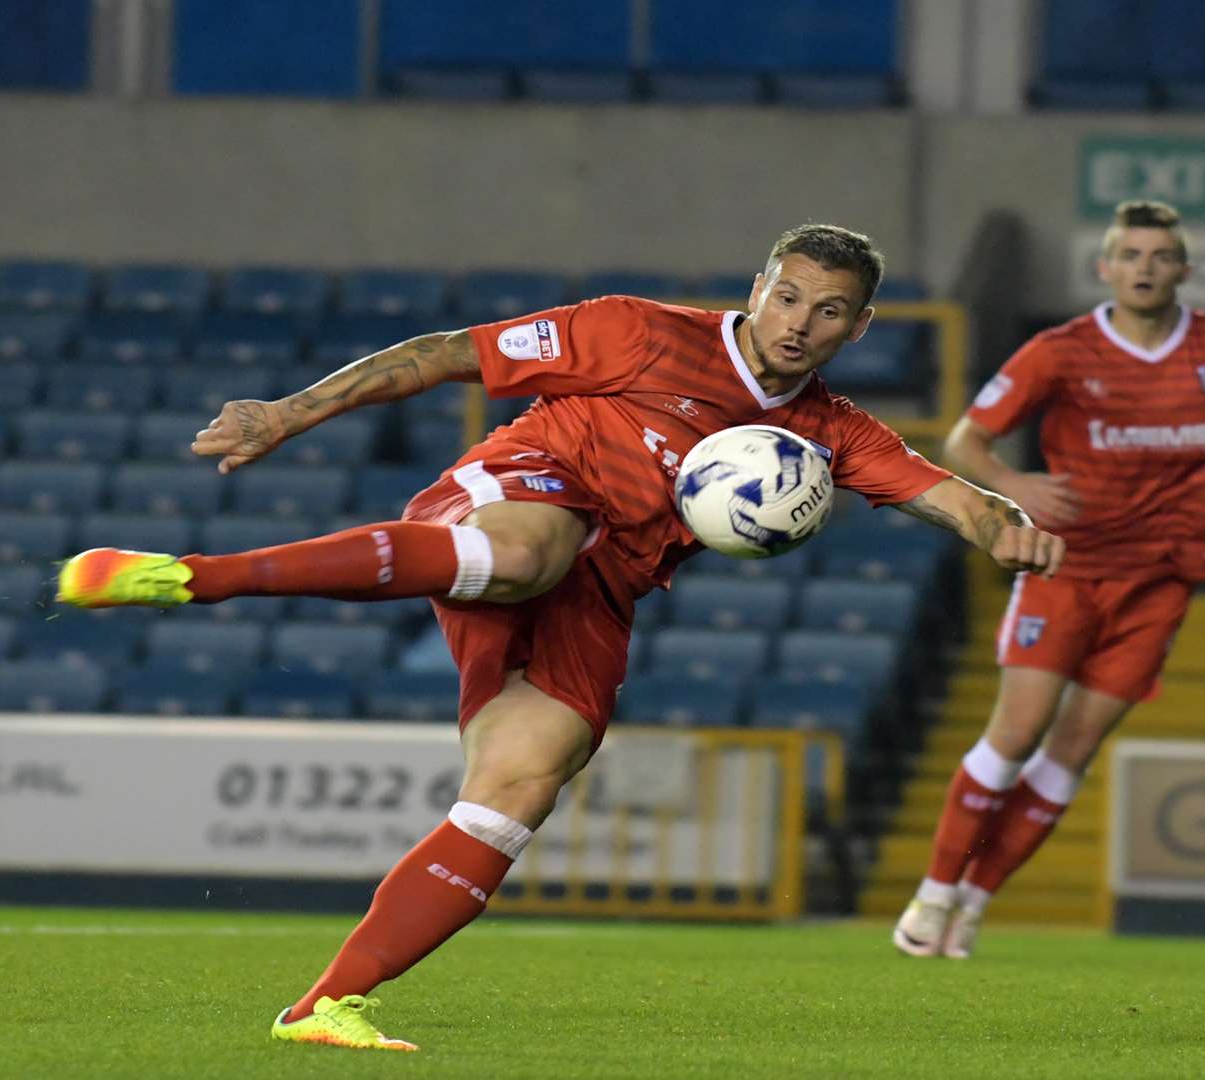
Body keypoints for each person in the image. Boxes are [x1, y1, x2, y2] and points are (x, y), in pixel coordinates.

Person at [56, 224, 1066, 1053]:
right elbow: (446, 353)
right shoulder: (633, 330)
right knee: (534, 548)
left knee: (525, 780)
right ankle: (193, 579)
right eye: (790, 296)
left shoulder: (833, 433)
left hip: (604, 588)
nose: (802, 323)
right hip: (517, 498)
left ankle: (326, 1004)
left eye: (830, 310)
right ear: (759, 288)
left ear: (859, 326)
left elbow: (949, 495)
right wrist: (291, 412)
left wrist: (1005, 531)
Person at [892, 200, 1205, 961]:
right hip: (1067, 568)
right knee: (1015, 734)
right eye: (1131, 255)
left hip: (1162, 581)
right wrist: (1017, 484)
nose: (1145, 268)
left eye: (1160, 256)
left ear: (1183, 269)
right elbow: (964, 440)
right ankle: (935, 890)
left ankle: (976, 903)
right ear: (1104, 268)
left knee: (1073, 748)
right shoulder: (1060, 351)